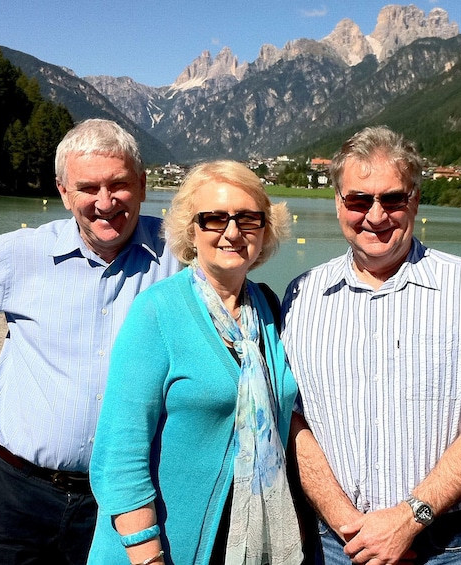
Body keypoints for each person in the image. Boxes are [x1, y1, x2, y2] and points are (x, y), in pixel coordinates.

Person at [0, 119, 181, 565]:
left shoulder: (179, 254)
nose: (105, 202)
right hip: (20, 496)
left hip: (125, 499)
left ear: (143, 185)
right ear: (64, 193)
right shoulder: (23, 253)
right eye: (88, 188)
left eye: (119, 184)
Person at [281, 125, 461, 565]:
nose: (376, 215)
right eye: (359, 200)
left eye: (393, 199)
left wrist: (408, 519)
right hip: (335, 543)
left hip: (443, 547)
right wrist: (352, 526)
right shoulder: (302, 294)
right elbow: (294, 420)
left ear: (415, 201)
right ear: (339, 204)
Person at [87, 160, 303, 565]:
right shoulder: (157, 311)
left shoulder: (268, 309)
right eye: (214, 219)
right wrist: (148, 555)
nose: (233, 232)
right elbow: (119, 455)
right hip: (163, 549)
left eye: (247, 218)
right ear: (191, 229)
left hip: (249, 542)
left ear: (265, 229)